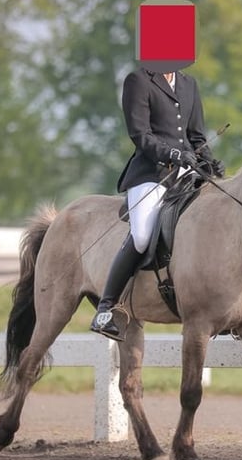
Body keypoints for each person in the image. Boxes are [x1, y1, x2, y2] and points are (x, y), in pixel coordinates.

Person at [90, 66, 219, 341]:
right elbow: (140, 135)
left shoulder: (188, 83)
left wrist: (209, 160)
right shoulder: (138, 80)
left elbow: (196, 136)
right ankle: (106, 307)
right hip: (151, 173)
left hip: (188, 171)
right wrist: (171, 153)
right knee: (141, 235)